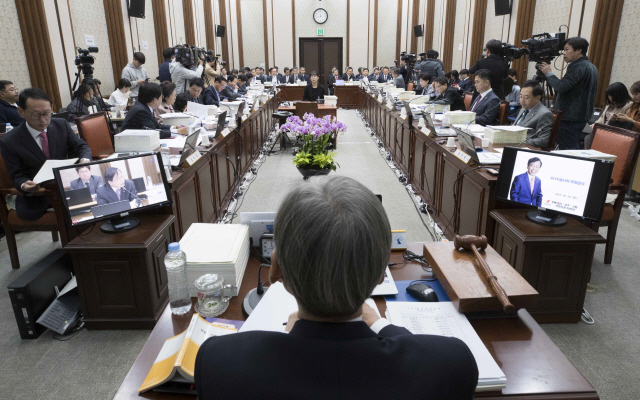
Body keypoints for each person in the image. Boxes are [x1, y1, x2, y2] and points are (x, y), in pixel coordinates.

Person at [194, 176, 479, 400]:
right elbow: (417, 351)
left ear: (276, 269)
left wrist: (286, 338)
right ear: (382, 272)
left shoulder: (219, 362)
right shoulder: (451, 363)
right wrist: (382, 325)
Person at [0, 88, 92, 221]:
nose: (43, 120)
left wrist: (84, 160)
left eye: (47, 114)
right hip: (39, 196)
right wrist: (25, 184)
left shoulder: (61, 125)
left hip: (67, 188)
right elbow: (17, 175)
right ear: (21, 112)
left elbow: (81, 146)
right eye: (36, 115)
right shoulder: (10, 141)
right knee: (71, 215)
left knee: (97, 205)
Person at [538, 37, 598, 150]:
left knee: (568, 150)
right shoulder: (592, 67)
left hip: (570, 117)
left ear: (578, 50)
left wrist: (549, 73)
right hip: (581, 115)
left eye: (567, 50)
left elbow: (561, 87)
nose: (564, 53)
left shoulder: (577, 66)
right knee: (571, 147)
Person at [120, 83, 187, 139]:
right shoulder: (141, 111)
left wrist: (175, 127)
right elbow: (152, 132)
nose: (162, 99)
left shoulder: (146, 107)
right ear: (154, 100)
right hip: (131, 143)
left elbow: (157, 126)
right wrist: (177, 132)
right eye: (161, 97)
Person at [584, 82, 633, 148]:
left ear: (619, 95)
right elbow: (602, 118)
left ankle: (588, 156)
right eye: (608, 95)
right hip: (601, 129)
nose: (609, 97)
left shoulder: (629, 106)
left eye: (611, 95)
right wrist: (594, 125)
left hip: (612, 132)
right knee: (579, 132)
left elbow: (625, 124)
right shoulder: (610, 105)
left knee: (588, 138)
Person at [514, 80, 554, 148]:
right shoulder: (523, 108)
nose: (522, 100)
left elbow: (543, 140)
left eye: (526, 97)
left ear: (537, 98)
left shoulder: (545, 114)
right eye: (521, 97)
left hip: (525, 148)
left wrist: (519, 140)